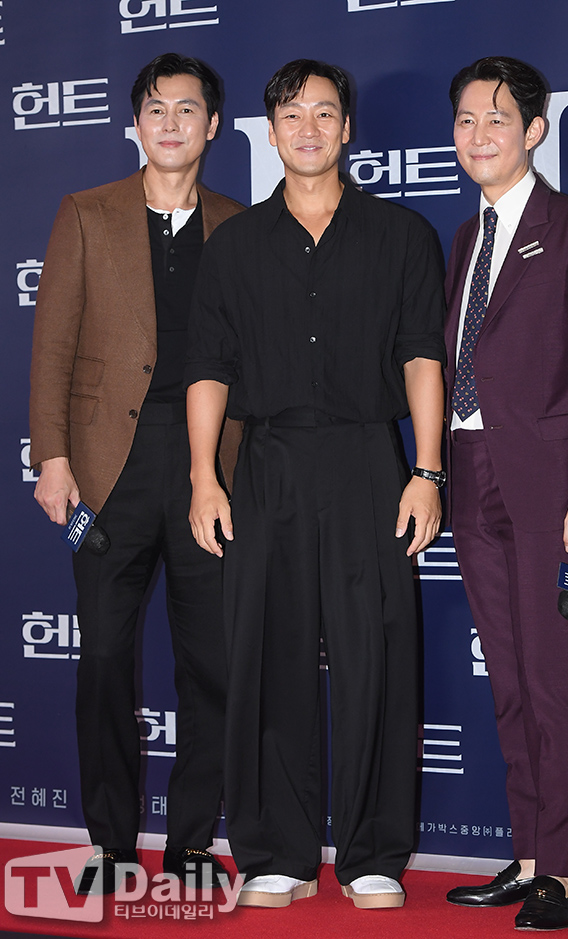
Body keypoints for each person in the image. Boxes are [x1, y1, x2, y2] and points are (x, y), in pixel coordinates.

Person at [185, 58, 445, 910]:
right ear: (269, 133)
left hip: (370, 460)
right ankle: (278, 852)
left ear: (347, 128)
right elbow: (208, 367)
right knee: (269, 653)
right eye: (292, 114)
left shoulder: (401, 235)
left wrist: (426, 470)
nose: (308, 127)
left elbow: (422, 356)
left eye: (324, 113)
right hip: (267, 465)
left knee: (376, 656)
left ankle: (374, 853)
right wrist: (204, 476)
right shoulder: (233, 246)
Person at [29, 52, 243, 895]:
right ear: (135, 123)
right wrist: (52, 458)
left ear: (212, 125)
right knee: (105, 662)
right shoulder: (86, 212)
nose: (170, 122)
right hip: (106, 471)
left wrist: (234, 473)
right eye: (156, 108)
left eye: (187, 109)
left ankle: (191, 843)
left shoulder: (238, 225)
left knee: (211, 665)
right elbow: (52, 345)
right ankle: (111, 845)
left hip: (207, 473)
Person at [443, 56, 568, 930]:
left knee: (553, 680)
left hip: (552, 487)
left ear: (534, 130)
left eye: (496, 118)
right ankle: (526, 856)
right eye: (465, 120)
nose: (478, 135)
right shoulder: (466, 236)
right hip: (471, 475)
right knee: (511, 679)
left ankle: (561, 869)